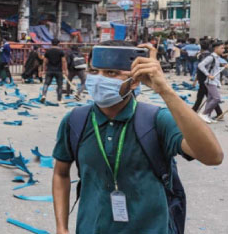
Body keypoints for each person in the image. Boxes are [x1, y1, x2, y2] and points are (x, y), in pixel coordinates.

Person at [52, 40, 223, 234]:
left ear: (134, 81)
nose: (99, 79)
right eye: (94, 71)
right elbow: (60, 173)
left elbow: (213, 156)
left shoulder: (156, 121)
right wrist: (61, 227)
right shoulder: (75, 121)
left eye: (111, 73)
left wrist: (165, 90)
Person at [197, 41, 225, 123]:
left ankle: (207, 116)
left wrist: (223, 67)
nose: (223, 50)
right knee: (217, 98)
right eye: (222, 48)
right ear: (216, 48)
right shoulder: (211, 57)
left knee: (210, 99)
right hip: (210, 81)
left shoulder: (216, 57)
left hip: (214, 81)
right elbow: (200, 65)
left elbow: (215, 69)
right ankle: (204, 114)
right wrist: (208, 74)